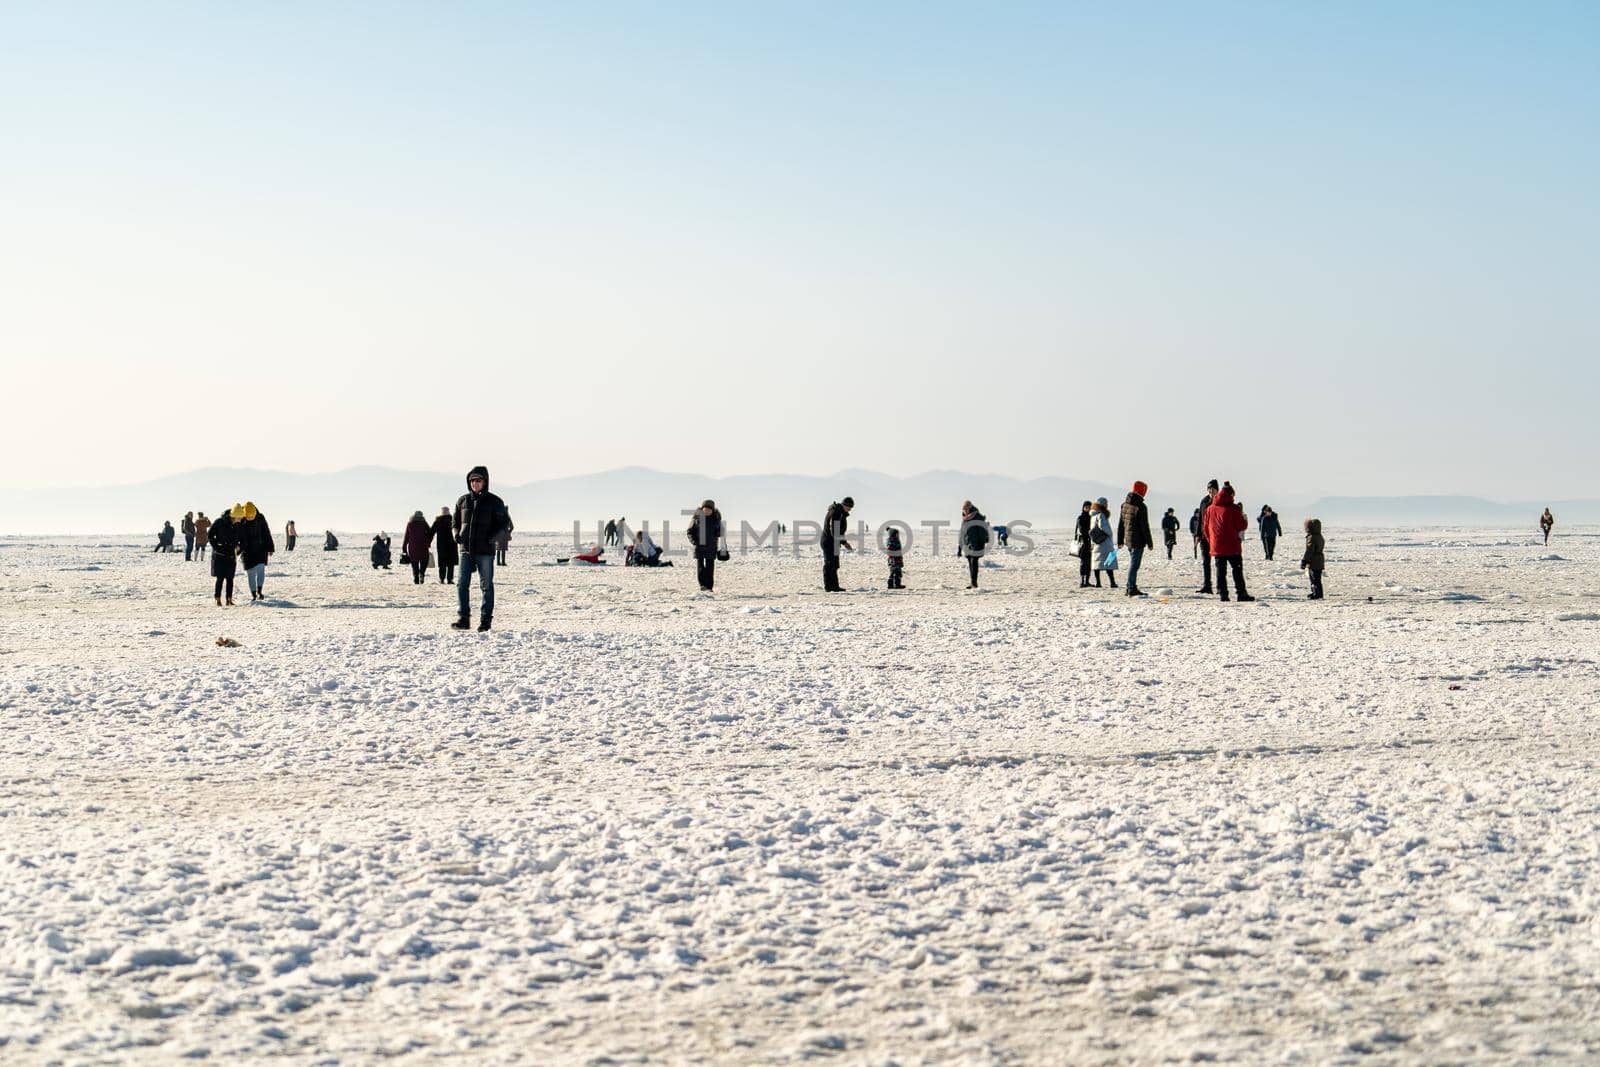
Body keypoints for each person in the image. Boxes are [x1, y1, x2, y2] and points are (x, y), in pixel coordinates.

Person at [453, 465, 513, 631]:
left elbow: (504, 524)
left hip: (485, 551)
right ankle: (463, 619)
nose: (475, 483)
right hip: (465, 549)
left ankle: (485, 621)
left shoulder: (495, 501)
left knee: (486, 586)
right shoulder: (462, 501)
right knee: (461, 584)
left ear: (485, 481)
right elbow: (455, 521)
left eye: (478, 480)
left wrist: (492, 539)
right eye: (472, 480)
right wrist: (456, 534)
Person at [1203, 481, 1253, 602]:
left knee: (1220, 570)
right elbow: (1241, 526)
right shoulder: (1234, 509)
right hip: (1232, 546)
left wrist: (1212, 542)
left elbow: (1205, 527)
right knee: (1237, 569)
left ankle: (1223, 593)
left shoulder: (1210, 509)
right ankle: (1241, 593)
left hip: (1217, 546)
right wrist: (1245, 520)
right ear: (1231, 495)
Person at [1117, 481, 1153, 597]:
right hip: (1138, 540)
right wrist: (1149, 542)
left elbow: (1121, 524)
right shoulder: (1141, 506)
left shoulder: (1124, 505)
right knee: (1134, 565)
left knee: (1133, 564)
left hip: (1128, 540)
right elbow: (1144, 526)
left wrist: (1120, 540)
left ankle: (1130, 586)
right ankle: (1131, 587)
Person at [237, 501, 275, 601]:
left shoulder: (260, 518)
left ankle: (259, 591)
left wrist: (270, 547)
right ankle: (253, 593)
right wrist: (237, 549)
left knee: (260, 570)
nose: (250, 519)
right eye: (248, 517)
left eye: (252, 516)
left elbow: (266, 532)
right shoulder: (241, 520)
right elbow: (237, 535)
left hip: (260, 549)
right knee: (251, 573)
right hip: (247, 551)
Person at [686, 499, 725, 591]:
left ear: (712, 510)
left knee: (710, 567)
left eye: (709, 509)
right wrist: (694, 542)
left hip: (711, 547)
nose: (707, 511)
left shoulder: (716, 520)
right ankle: (702, 585)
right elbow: (689, 532)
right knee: (700, 567)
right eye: (705, 509)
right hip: (699, 547)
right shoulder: (696, 519)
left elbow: (720, 533)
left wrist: (718, 530)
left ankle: (709, 586)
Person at [209, 506, 239, 605]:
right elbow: (210, 535)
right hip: (220, 554)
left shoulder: (237, 525)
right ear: (232, 516)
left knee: (230, 578)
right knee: (220, 578)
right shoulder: (219, 522)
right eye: (237, 518)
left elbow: (241, 538)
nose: (238, 520)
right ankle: (217, 598)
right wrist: (216, 546)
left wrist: (239, 548)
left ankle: (229, 599)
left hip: (231, 554)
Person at [822, 497, 854, 592]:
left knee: (835, 564)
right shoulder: (836, 513)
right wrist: (843, 542)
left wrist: (842, 542)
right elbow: (834, 531)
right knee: (829, 564)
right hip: (829, 541)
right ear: (844, 505)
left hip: (834, 542)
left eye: (851, 507)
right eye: (849, 507)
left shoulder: (840, 513)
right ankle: (829, 586)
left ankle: (835, 586)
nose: (850, 509)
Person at [958, 500, 989, 588]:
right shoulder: (965, 519)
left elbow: (982, 532)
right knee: (970, 563)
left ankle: (974, 583)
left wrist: (981, 542)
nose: (965, 511)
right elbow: (962, 533)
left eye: (967, 508)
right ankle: (973, 582)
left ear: (970, 507)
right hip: (967, 544)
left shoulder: (977, 517)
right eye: (964, 509)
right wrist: (959, 548)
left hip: (976, 544)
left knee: (974, 561)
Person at [1195, 480, 1218, 593]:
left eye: (1213, 489)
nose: (1210, 491)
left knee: (1219, 562)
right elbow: (1200, 519)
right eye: (1209, 489)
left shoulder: (1220, 501)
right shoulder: (1204, 501)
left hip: (1216, 536)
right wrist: (1197, 534)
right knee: (1206, 561)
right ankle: (1207, 585)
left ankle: (1220, 586)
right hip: (1205, 536)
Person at [1090, 498, 1117, 588]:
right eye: (1106, 503)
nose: (1107, 505)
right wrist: (1110, 533)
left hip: (1096, 542)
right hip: (1104, 543)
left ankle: (1098, 583)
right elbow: (1104, 527)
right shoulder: (1101, 515)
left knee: (1097, 564)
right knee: (1108, 562)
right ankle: (1112, 582)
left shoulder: (1093, 515)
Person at [403, 511, 432, 584]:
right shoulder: (424, 524)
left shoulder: (410, 524)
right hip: (423, 546)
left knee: (414, 563)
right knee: (424, 561)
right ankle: (421, 573)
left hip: (413, 547)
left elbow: (406, 536)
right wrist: (428, 543)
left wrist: (404, 547)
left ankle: (416, 577)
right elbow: (430, 534)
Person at [1301, 518, 1326, 599]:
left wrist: (1304, 560)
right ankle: (1317, 593)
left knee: (1314, 578)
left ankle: (1317, 594)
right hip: (1319, 559)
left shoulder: (1312, 537)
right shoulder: (1319, 536)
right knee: (1317, 578)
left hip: (1314, 560)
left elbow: (1309, 550)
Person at [431, 507, 458, 583]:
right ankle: (450, 579)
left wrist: (427, 541)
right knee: (450, 563)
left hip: (441, 545)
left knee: (442, 562)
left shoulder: (438, 521)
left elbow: (431, 532)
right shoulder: (452, 520)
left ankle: (442, 579)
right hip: (452, 544)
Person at [1074, 500, 1093, 588]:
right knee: (1083, 562)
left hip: (1089, 543)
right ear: (1083, 508)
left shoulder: (1092, 517)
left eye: (1089, 507)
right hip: (1083, 543)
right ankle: (1082, 581)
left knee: (1089, 562)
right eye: (1086, 507)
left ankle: (1087, 581)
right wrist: (1089, 533)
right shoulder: (1081, 517)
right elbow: (1081, 530)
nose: (1088, 509)